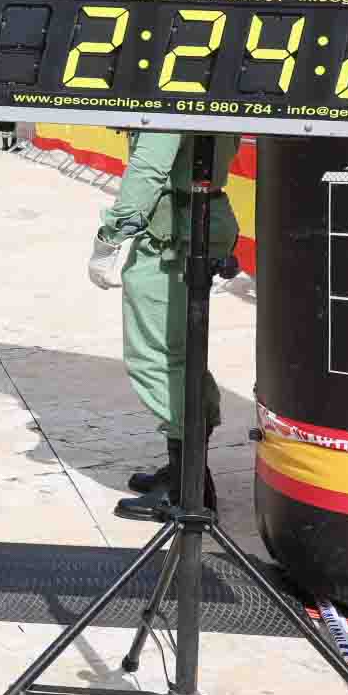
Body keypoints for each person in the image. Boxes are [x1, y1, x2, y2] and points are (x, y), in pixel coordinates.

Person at [92, 131, 238, 522]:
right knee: (184, 353)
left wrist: (109, 238)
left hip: (174, 234)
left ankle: (185, 489)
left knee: (156, 357)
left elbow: (149, 168)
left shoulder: (170, 101)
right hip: (202, 218)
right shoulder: (217, 94)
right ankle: (188, 473)